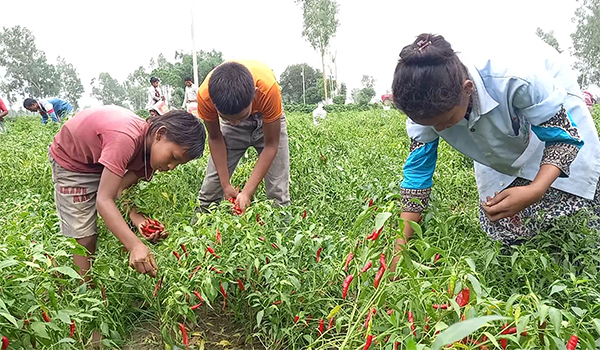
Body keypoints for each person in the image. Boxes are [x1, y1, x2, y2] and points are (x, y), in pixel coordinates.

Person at [390, 34, 600, 267]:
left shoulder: (516, 78)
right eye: (431, 124)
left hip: (551, 104)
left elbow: (563, 137)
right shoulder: (425, 110)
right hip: (501, 127)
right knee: (502, 225)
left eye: (447, 120)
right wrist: (399, 252)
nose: (439, 129)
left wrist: (536, 189)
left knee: (580, 222)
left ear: (467, 89)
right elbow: (417, 179)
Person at [48, 106, 206, 280]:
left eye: (178, 164)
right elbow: (104, 200)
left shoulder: (149, 156)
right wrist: (135, 245)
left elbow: (120, 188)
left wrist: (138, 220)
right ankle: (82, 294)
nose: (171, 167)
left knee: (126, 226)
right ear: (160, 134)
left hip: (100, 158)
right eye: (173, 157)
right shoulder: (125, 139)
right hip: (73, 162)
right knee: (85, 238)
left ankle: (121, 277)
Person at [196, 60, 290, 213]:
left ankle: (281, 232)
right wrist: (226, 185)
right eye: (226, 119)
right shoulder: (205, 95)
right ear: (213, 103)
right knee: (210, 190)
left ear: (254, 94)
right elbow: (214, 138)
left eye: (241, 117)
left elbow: (272, 145)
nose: (235, 123)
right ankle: (198, 232)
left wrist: (247, 192)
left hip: (266, 120)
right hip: (236, 117)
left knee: (278, 193)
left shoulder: (267, 89)